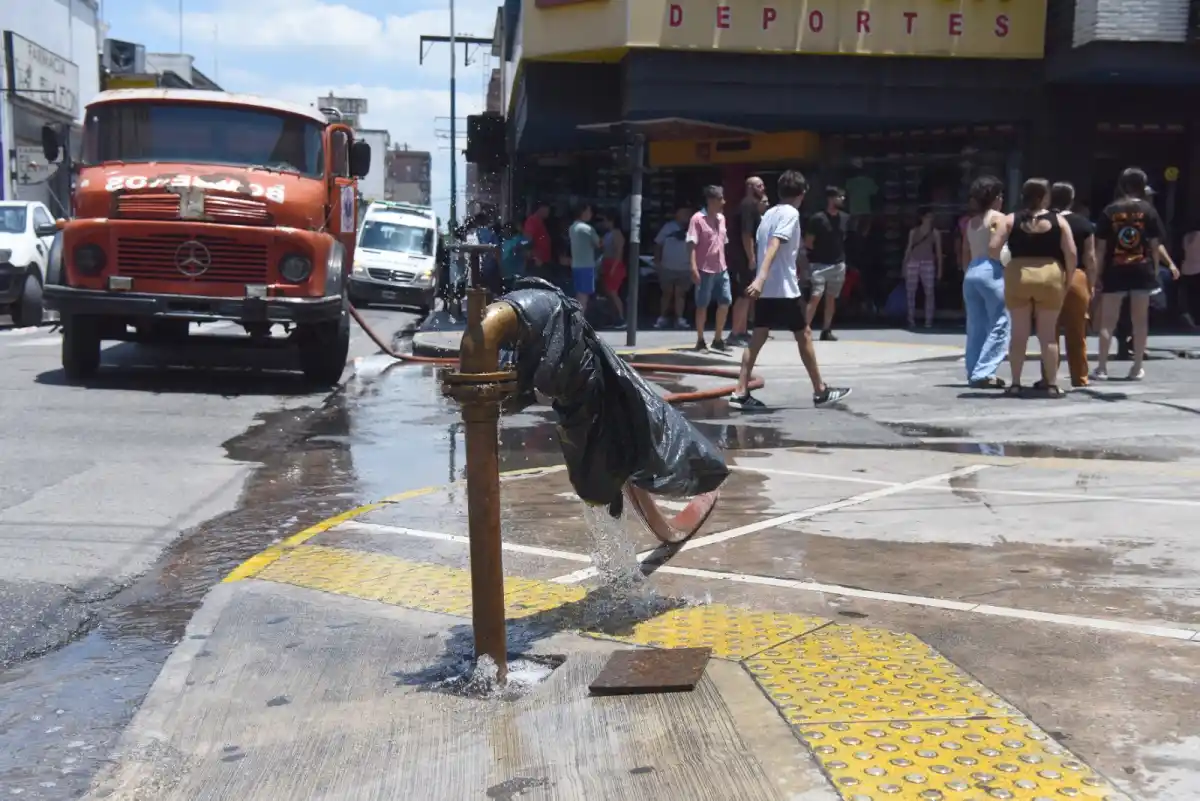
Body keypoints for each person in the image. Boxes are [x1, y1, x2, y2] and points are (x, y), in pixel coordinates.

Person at [728, 170, 852, 410]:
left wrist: (762, 279)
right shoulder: (790, 214)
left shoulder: (769, 213)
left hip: (767, 291)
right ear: (803, 193)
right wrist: (762, 277)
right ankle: (820, 391)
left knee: (757, 339)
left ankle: (740, 391)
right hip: (783, 288)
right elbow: (776, 243)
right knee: (803, 335)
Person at [990, 178, 1078, 396]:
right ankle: (1051, 385)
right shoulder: (1059, 221)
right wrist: (1067, 279)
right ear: (1045, 196)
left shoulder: (1010, 219)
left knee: (1019, 334)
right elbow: (1072, 254)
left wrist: (1006, 263)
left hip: (1018, 275)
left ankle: (1016, 383)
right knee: (1048, 335)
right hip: (1050, 275)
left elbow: (992, 248)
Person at [1094, 168, 1169, 381]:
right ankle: (1136, 367)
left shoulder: (1110, 210)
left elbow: (1100, 247)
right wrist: (1154, 270)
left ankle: (1102, 367)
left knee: (1108, 321)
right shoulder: (1149, 210)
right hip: (1141, 269)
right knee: (1140, 320)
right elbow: (1155, 245)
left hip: (1114, 269)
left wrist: (1098, 274)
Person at [1039, 182, 1097, 388]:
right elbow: (1090, 257)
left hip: (1048, 275)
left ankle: (1048, 377)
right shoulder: (1083, 223)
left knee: (1048, 331)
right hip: (1076, 277)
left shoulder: (1042, 221)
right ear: (1072, 200)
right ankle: (1080, 377)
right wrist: (1092, 284)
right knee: (1077, 331)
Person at [961, 176, 1011, 389]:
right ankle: (985, 371)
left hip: (972, 271)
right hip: (992, 270)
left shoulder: (970, 222)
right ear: (995, 198)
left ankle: (974, 370)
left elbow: (964, 251)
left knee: (976, 326)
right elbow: (996, 248)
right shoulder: (999, 218)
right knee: (1001, 323)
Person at [687, 185, 733, 352]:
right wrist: (693, 267)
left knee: (726, 301)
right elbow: (691, 244)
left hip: (721, 266)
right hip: (704, 268)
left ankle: (718, 338)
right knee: (702, 304)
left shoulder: (721, 218)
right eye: (720, 199)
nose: (723, 202)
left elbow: (723, 241)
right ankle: (700, 340)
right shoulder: (697, 219)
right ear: (711, 200)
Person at [804, 186, 850, 341]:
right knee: (815, 296)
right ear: (830, 199)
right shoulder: (817, 219)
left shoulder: (844, 218)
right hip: (819, 264)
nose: (842, 199)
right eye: (839, 197)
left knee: (831, 298)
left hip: (838, 264)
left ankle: (826, 329)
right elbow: (808, 242)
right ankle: (804, 328)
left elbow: (843, 238)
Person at [728, 176, 767, 346]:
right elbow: (746, 234)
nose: (763, 188)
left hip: (746, 256)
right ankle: (735, 334)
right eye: (759, 185)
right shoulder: (748, 205)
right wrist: (751, 257)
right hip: (742, 258)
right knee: (743, 296)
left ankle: (742, 331)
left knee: (748, 295)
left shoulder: (752, 206)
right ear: (750, 187)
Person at [653, 204, 693, 330]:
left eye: (688, 213)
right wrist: (657, 261)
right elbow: (658, 244)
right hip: (668, 266)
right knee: (667, 293)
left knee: (680, 294)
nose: (686, 216)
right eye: (683, 213)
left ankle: (679, 318)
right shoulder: (668, 228)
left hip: (685, 267)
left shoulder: (694, 229)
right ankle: (663, 317)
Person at [902, 207, 943, 329]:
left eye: (931, 217)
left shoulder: (935, 233)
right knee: (910, 292)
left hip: (928, 262)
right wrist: (904, 264)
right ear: (922, 218)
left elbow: (939, 252)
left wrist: (940, 269)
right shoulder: (914, 232)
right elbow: (909, 248)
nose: (930, 219)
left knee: (929, 293)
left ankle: (928, 320)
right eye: (928, 217)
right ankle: (911, 319)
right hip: (913, 262)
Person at [568, 202, 601, 313]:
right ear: (582, 212)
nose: (590, 214)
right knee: (583, 297)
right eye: (588, 211)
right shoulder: (587, 229)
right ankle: (579, 322)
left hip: (576, 265)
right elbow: (599, 244)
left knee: (579, 294)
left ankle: (576, 321)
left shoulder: (572, 227)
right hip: (586, 266)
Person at [595, 212, 627, 328]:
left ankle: (621, 318)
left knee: (613, 292)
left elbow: (619, 251)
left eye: (605, 220)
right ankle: (614, 317)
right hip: (607, 263)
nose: (604, 223)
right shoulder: (608, 234)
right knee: (608, 293)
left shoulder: (617, 234)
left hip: (614, 264)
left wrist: (614, 267)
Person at [522, 201, 552, 282]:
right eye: (547, 210)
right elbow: (526, 240)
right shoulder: (532, 220)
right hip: (536, 263)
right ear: (541, 209)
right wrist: (534, 257)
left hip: (542, 262)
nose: (548, 212)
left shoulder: (540, 222)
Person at [1179, 219, 1200, 329]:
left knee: (1191, 295)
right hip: (1198, 269)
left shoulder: (1186, 237)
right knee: (1198, 296)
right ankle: (1197, 319)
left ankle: (1191, 316)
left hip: (1187, 268)